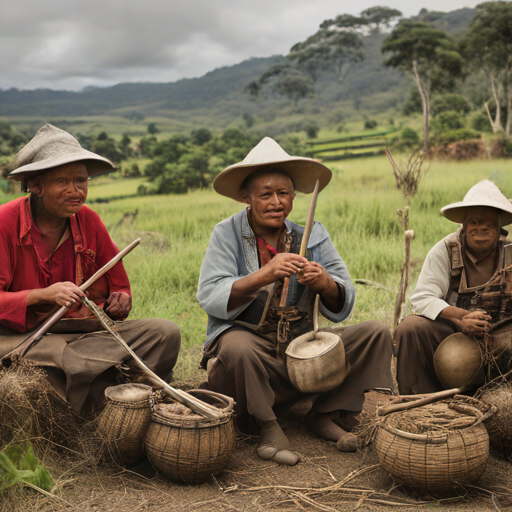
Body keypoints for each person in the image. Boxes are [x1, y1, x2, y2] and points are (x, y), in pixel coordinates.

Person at [196, 137, 393, 465]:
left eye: (283, 193)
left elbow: (344, 300)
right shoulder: (226, 233)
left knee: (375, 332)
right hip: (253, 361)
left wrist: (325, 283)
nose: (276, 202)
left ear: (294, 196)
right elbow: (210, 296)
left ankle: (325, 412)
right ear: (246, 197)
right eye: (265, 194)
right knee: (235, 345)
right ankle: (267, 424)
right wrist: (266, 273)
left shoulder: (313, 235)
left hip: (303, 357)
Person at [0, 124, 181, 412]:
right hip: (21, 337)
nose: (76, 192)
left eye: (82, 181)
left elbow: (118, 285)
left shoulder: (89, 220)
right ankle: (105, 391)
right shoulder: (4, 222)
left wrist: (120, 300)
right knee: (55, 356)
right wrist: (42, 295)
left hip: (82, 334)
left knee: (164, 332)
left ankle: (105, 392)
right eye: (63, 182)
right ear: (35, 185)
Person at [395, 180, 512, 395]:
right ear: (464, 226)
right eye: (474, 221)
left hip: (504, 337)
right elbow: (422, 298)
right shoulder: (446, 251)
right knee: (410, 328)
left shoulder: (510, 253)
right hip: (454, 333)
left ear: (498, 226)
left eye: (487, 221)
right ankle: (420, 399)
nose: (480, 227)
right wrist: (461, 317)